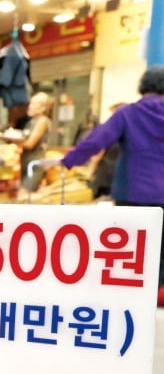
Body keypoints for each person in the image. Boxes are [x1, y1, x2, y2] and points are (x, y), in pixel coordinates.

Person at [46, 66, 164, 288]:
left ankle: (135, 291)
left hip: (132, 192)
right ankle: (159, 290)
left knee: (134, 247)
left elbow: (97, 140)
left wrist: (69, 160)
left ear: (143, 86)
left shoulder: (128, 113)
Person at [19, 92, 53, 192]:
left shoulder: (43, 121)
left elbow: (30, 144)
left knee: (24, 194)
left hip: (35, 163)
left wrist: (13, 141)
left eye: (34, 104)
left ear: (42, 108)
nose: (30, 106)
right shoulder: (31, 122)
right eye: (31, 103)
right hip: (25, 162)